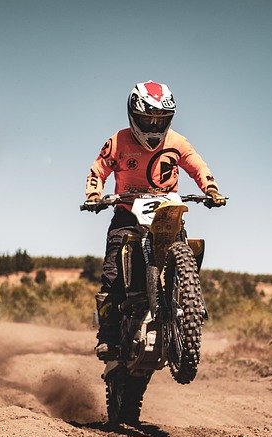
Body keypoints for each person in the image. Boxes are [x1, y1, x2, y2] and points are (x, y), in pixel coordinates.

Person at [84, 80, 227, 360]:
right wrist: (93, 194)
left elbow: (196, 164)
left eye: (159, 120)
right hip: (127, 213)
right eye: (146, 119)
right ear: (133, 115)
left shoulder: (177, 142)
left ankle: (188, 303)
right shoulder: (118, 141)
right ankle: (108, 335)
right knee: (112, 271)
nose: (152, 126)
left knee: (185, 247)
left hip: (166, 210)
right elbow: (98, 169)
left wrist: (210, 188)